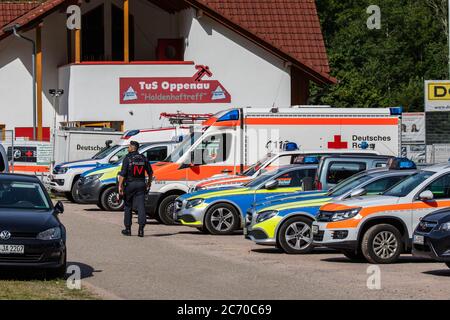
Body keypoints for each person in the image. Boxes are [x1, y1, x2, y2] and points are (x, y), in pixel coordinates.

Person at [118, 141, 153, 237]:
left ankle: (128, 229)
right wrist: (148, 183)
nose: (128, 148)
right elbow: (150, 172)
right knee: (141, 206)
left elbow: (123, 173)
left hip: (130, 184)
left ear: (133, 148)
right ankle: (141, 230)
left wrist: (120, 186)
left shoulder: (127, 158)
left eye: (129, 146)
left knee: (128, 206)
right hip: (141, 184)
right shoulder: (143, 158)